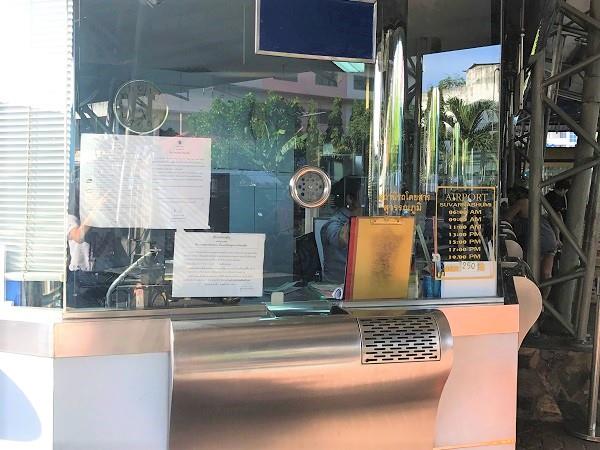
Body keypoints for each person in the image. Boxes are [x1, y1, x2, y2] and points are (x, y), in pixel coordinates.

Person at [67, 168, 130, 307]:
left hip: (108, 275)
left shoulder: (109, 215)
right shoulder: (72, 214)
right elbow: (78, 236)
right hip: (83, 279)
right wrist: (97, 208)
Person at [504, 186, 557, 281]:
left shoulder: (522, 202)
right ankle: (544, 296)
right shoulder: (535, 203)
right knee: (546, 274)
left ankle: (532, 293)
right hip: (549, 237)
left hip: (537, 238)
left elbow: (507, 218)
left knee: (528, 270)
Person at [320, 177, 363, 283]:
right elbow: (341, 239)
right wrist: (357, 214)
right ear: (350, 199)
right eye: (363, 195)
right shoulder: (334, 223)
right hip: (337, 288)